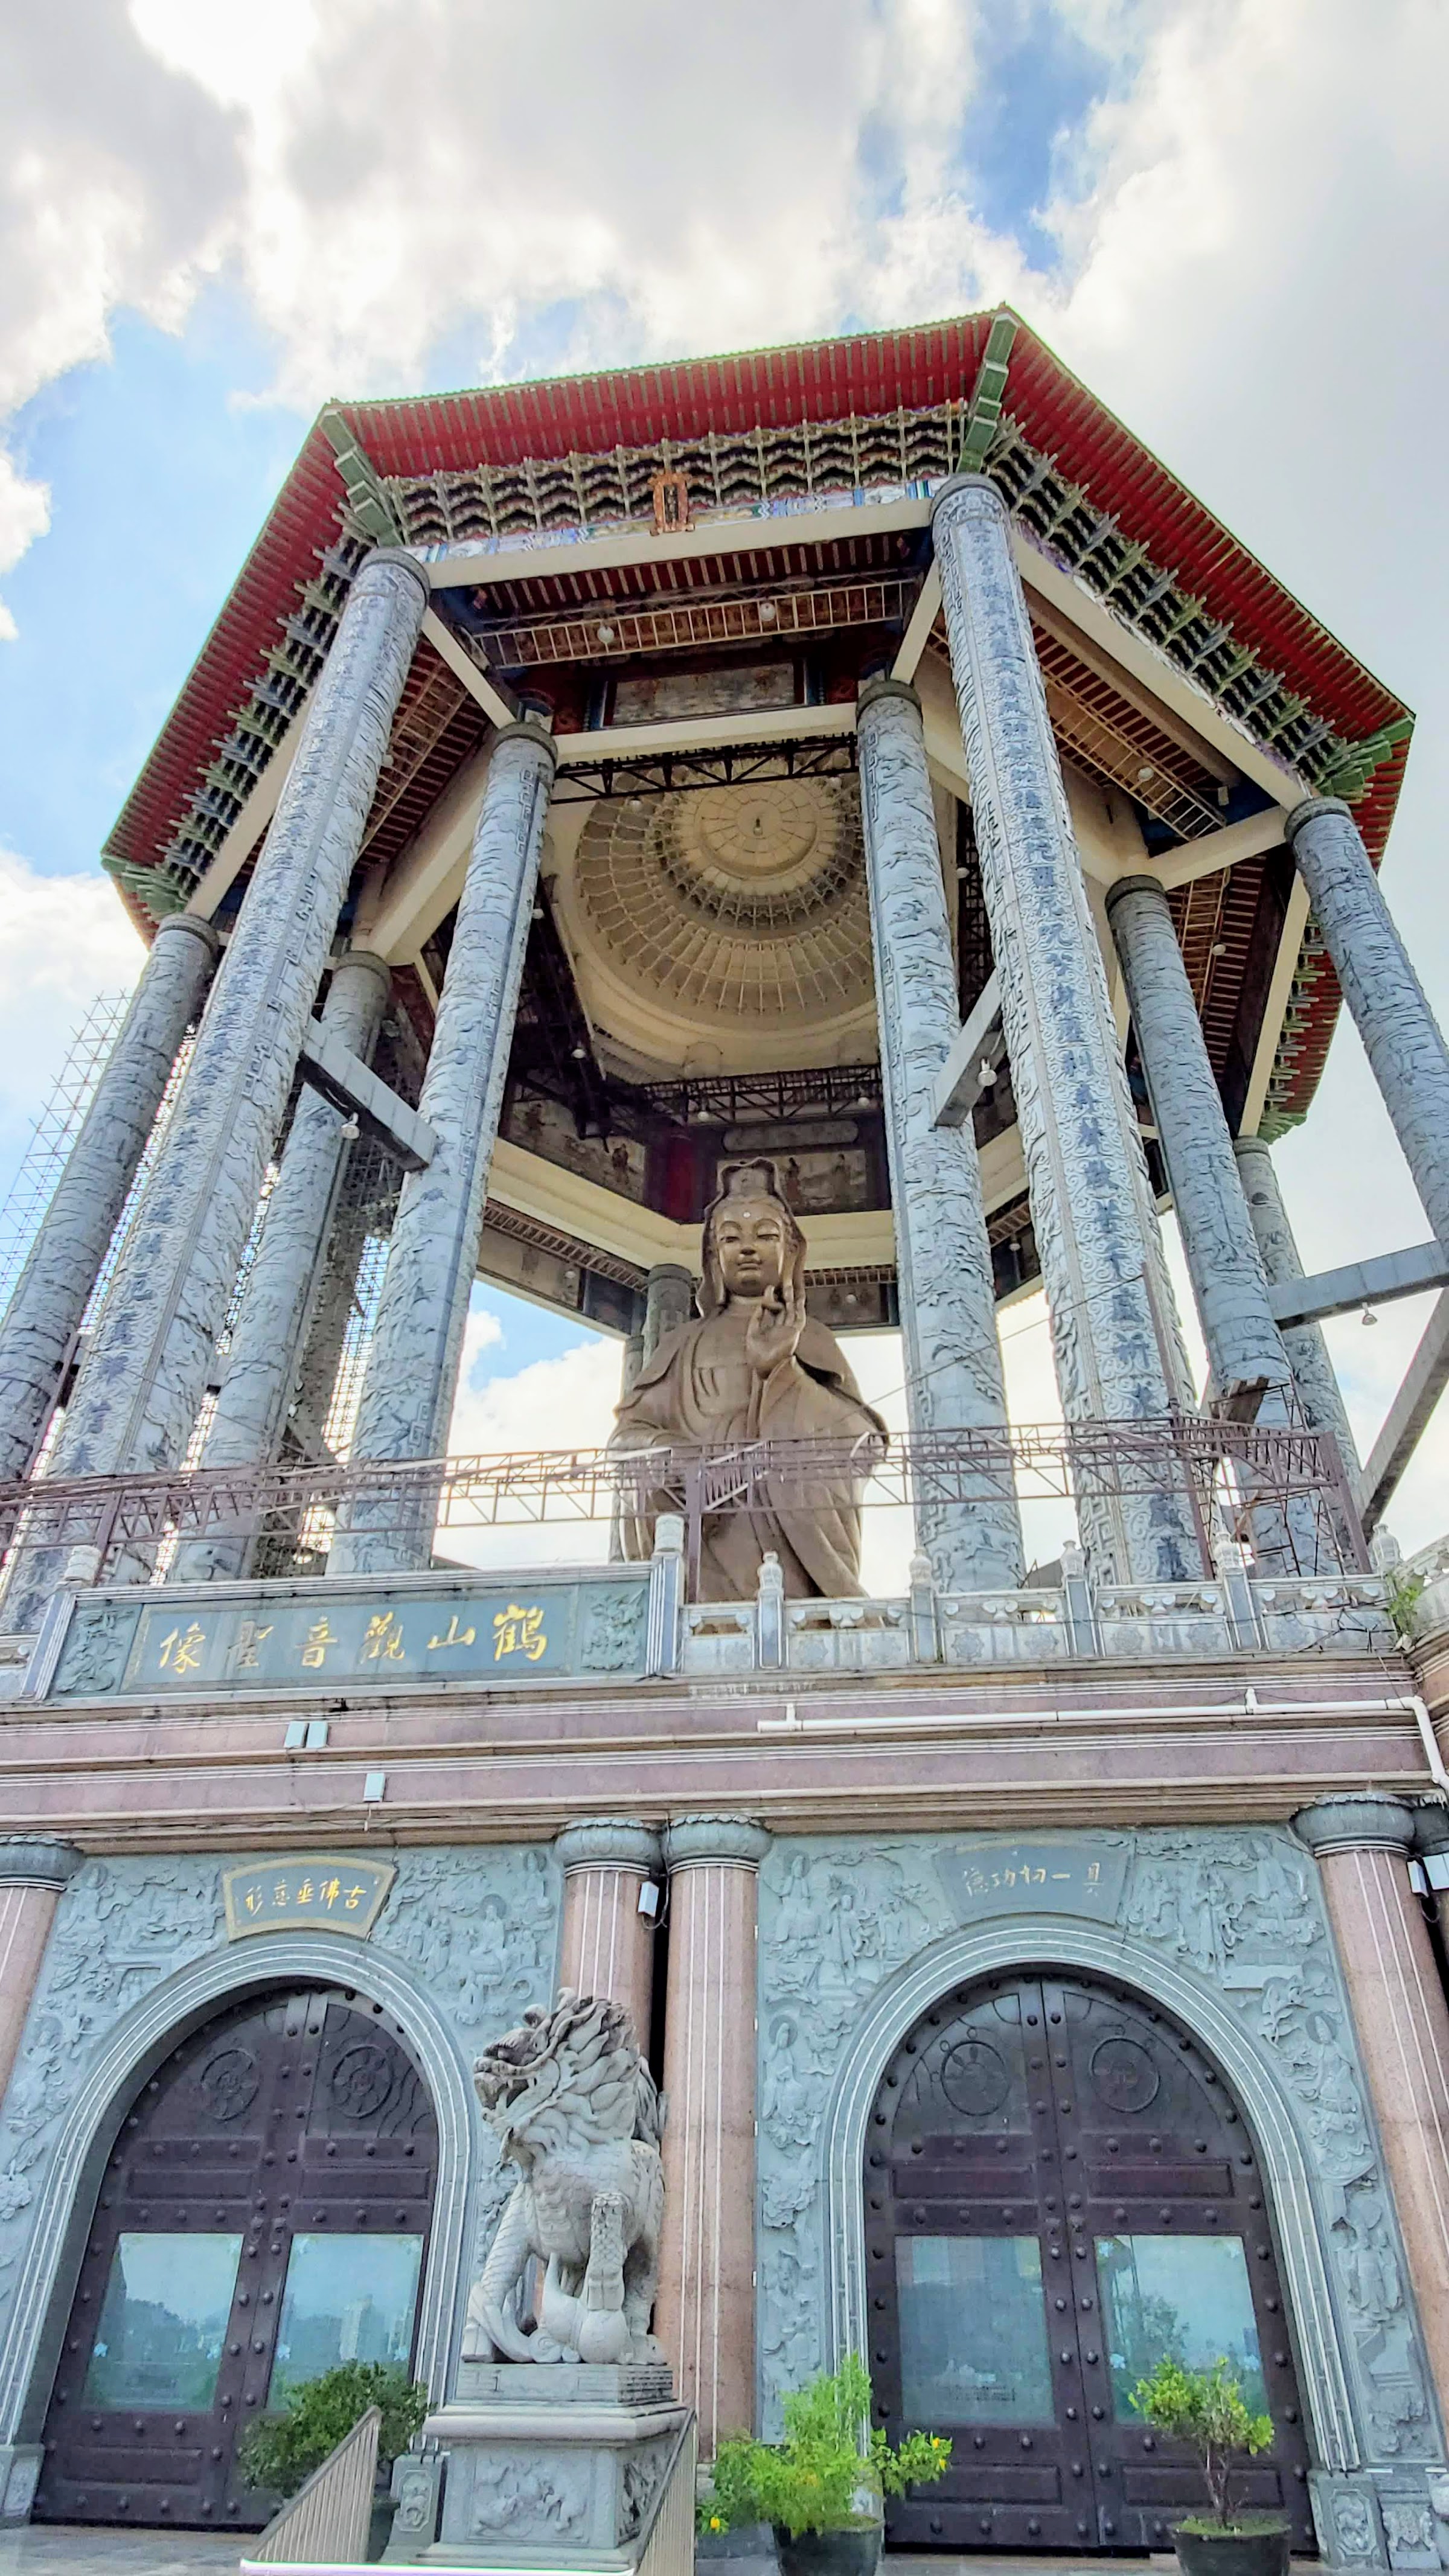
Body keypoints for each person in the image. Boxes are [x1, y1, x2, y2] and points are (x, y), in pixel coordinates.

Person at [608, 1157, 885, 1599]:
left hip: (782, 1543)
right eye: (731, 1238)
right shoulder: (682, 1344)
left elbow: (861, 1447)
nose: (748, 1248)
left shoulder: (811, 1339)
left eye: (766, 1236)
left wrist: (782, 1371)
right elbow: (624, 1442)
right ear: (714, 1256)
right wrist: (673, 1454)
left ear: (790, 1252)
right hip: (698, 1532)